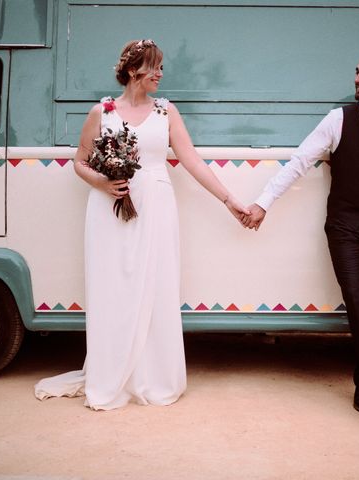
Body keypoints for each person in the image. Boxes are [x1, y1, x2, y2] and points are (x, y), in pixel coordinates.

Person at [35, 39, 250, 410]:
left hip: (157, 205)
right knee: (113, 287)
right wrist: (104, 183)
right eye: (156, 67)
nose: (162, 74)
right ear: (136, 70)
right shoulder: (101, 112)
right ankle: (112, 374)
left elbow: (192, 161)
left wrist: (229, 200)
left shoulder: (167, 112)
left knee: (156, 286)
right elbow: (80, 162)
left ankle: (152, 376)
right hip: (109, 208)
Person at [243, 50, 359, 414]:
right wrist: (264, 202)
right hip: (345, 227)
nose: (357, 79)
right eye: (357, 72)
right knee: (357, 300)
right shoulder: (337, 120)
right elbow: (299, 163)